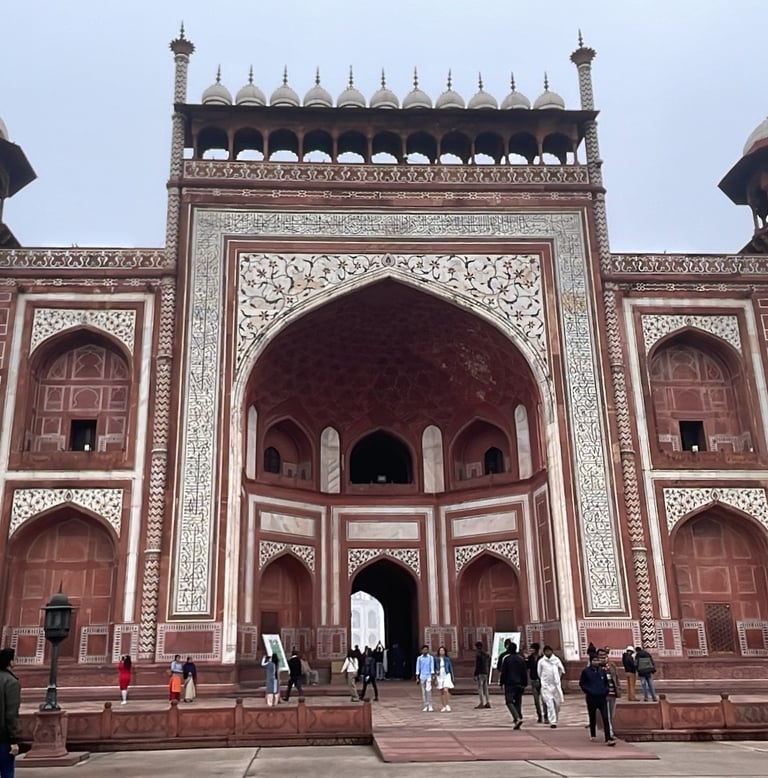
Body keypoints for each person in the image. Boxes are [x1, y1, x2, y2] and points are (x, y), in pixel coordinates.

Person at [579, 654, 616, 746]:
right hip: (591, 697)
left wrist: (605, 690)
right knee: (592, 716)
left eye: (597, 660)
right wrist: (588, 691)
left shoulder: (602, 671)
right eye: (594, 660)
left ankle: (608, 738)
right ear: (591, 661)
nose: (596, 662)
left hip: (602, 697)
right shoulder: (586, 671)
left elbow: (606, 683)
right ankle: (593, 733)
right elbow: (582, 683)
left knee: (605, 717)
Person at [0, 648, 21, 778]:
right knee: (7, 771)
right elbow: (11, 714)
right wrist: (13, 740)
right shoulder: (10, 682)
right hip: (2, 738)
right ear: (10, 661)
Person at [499, 641, 527, 729]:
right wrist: (524, 683)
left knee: (509, 701)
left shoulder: (507, 659)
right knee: (518, 702)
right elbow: (524, 673)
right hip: (519, 683)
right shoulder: (521, 659)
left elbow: (504, 672)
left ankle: (517, 717)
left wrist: (501, 683)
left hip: (510, 683)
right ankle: (518, 718)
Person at [537, 645, 565, 728]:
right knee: (549, 704)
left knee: (557, 704)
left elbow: (561, 670)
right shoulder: (541, 662)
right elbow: (539, 672)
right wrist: (544, 681)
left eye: (549, 651)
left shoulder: (556, 660)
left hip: (555, 685)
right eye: (546, 651)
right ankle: (553, 721)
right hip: (546, 686)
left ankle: (555, 717)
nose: (548, 653)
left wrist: (557, 679)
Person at [598, 648, 622, 730]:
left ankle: (609, 730)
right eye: (600, 655)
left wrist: (618, 688)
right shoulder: (595, 667)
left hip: (612, 693)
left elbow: (616, 678)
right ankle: (609, 733)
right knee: (605, 714)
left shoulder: (611, 666)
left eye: (604, 655)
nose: (602, 657)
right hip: (601, 694)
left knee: (611, 714)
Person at [526, 642, 547, 723]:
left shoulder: (542, 658)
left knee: (544, 699)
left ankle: (546, 715)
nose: (531, 650)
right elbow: (527, 667)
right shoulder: (530, 658)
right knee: (536, 701)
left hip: (542, 681)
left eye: (532, 649)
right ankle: (539, 716)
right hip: (533, 680)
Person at [415, 645, 435, 712]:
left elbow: (432, 667)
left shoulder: (430, 658)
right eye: (424, 650)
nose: (425, 651)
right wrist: (417, 677)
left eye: (426, 649)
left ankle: (430, 705)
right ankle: (425, 705)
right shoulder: (419, 658)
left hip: (428, 675)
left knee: (428, 690)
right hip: (422, 676)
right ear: (421, 651)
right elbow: (418, 668)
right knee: (423, 692)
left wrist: (432, 675)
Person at [435, 646, 454, 712]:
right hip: (440, 675)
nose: (441, 652)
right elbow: (434, 667)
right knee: (441, 691)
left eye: (443, 650)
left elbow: (450, 668)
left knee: (446, 690)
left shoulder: (447, 659)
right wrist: (435, 675)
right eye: (440, 650)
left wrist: (452, 677)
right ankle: (443, 705)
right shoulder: (436, 659)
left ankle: (447, 704)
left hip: (446, 674)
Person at [473, 641, 491, 709]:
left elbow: (478, 665)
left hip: (480, 673)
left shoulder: (478, 655)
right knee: (485, 688)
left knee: (480, 688)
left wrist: (475, 674)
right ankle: (488, 701)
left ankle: (481, 702)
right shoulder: (486, 654)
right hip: (485, 672)